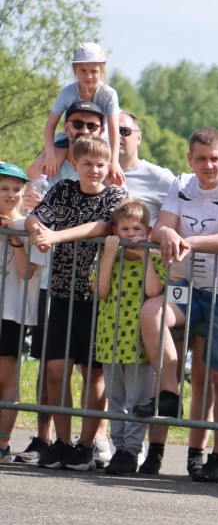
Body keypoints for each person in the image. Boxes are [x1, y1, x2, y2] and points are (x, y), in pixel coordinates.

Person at [135, 128, 218, 484]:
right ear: (190, 159)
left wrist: (189, 240)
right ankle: (170, 392)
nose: (208, 165)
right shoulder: (181, 184)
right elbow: (160, 228)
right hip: (191, 287)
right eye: (201, 158)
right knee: (152, 312)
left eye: (215, 159)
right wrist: (167, 234)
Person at [23, 136, 127, 471]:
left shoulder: (115, 194)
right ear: (76, 164)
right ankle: (62, 443)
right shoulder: (63, 188)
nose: (94, 170)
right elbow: (35, 217)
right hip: (62, 292)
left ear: (108, 165)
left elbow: (103, 226)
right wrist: (37, 230)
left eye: (101, 164)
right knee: (55, 369)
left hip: (98, 296)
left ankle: (86, 444)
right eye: (87, 163)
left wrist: (54, 236)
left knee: (94, 374)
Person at [94, 200, 166, 474]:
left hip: (139, 343)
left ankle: (131, 449)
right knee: (115, 397)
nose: (131, 234)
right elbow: (100, 292)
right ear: (116, 231)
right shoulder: (109, 256)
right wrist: (110, 256)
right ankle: (119, 446)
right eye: (125, 229)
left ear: (147, 230)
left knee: (138, 400)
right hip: (110, 338)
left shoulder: (154, 256)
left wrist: (146, 254)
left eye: (137, 228)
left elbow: (152, 290)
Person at [0, 163, 45, 463]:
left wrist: (14, 236)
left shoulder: (32, 224)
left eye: (17, 188)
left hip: (12, 312)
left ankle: (2, 444)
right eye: (4, 188)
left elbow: (27, 271)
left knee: (7, 379)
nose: (11, 194)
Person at [40, 43, 123, 187]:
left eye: (94, 71)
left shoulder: (109, 94)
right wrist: (50, 155)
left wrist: (115, 161)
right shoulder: (67, 92)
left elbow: (114, 130)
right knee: (38, 169)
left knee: (115, 179)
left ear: (101, 71)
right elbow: (50, 125)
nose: (88, 76)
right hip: (71, 138)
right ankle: (36, 200)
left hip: (99, 139)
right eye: (83, 70)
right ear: (75, 70)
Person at [117, 111, 175, 226]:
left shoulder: (159, 177)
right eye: (112, 131)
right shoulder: (94, 173)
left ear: (138, 138)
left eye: (124, 131)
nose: (118, 136)